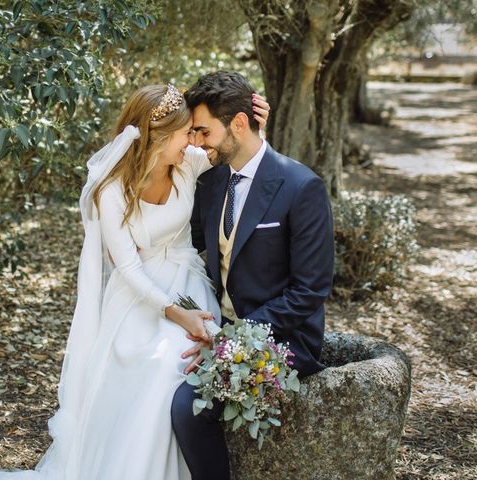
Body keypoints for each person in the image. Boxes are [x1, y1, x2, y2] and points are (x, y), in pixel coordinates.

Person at [0, 84, 269, 479]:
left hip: (189, 286)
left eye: (194, 134)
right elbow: (128, 268)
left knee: (174, 369)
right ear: (159, 138)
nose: (192, 140)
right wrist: (179, 316)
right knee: (152, 371)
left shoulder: (189, 163)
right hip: (142, 296)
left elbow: (244, 158)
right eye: (185, 133)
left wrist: (260, 125)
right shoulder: (111, 189)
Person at [171, 71, 334, 480]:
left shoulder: (301, 186)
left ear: (238, 124)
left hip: (283, 338)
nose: (196, 142)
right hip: (217, 323)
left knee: (186, 409)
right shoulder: (211, 182)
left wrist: (233, 337)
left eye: (204, 131)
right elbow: (181, 245)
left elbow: (310, 290)